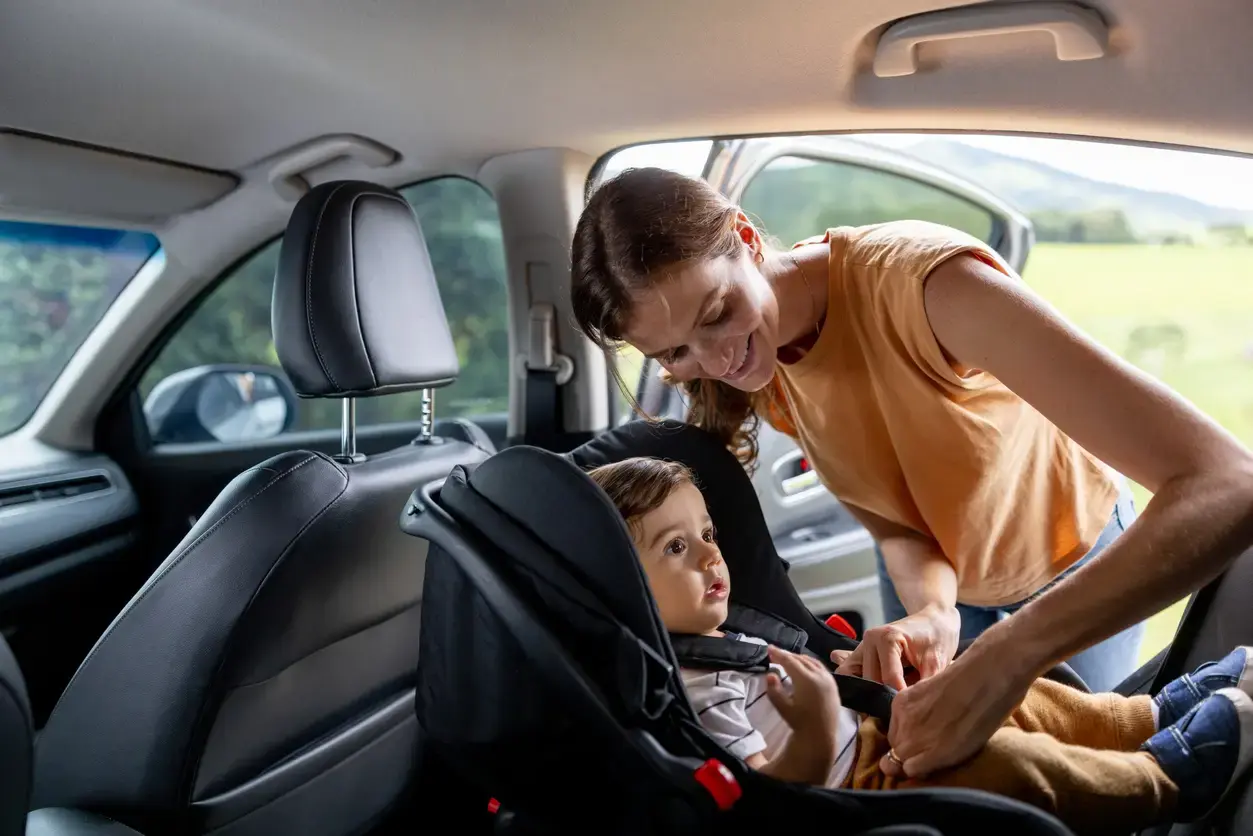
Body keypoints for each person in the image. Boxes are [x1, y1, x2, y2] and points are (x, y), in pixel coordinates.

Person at [569, 166, 1253, 777]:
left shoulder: (930, 289)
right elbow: (898, 525)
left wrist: (1007, 655)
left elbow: (1226, 482)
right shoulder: (761, 367)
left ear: (746, 238)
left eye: (718, 313)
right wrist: (933, 611)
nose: (716, 362)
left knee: (1098, 764)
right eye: (675, 353)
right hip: (952, 581)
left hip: (1069, 560)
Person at [587, 456, 1253, 836]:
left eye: (705, 532)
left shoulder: (723, 635)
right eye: (676, 548)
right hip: (852, 788)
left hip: (874, 732)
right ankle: (1166, 780)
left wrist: (845, 673)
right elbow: (765, 802)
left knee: (1014, 697)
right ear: (623, 589)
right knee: (1002, 761)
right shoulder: (690, 692)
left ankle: (1142, 718)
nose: (710, 554)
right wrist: (818, 733)